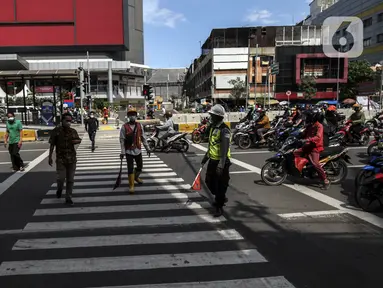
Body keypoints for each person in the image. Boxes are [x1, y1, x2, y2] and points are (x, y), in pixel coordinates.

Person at [201, 104, 231, 217]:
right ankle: (221, 197)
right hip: (212, 160)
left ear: (218, 116)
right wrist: (206, 157)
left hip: (221, 161)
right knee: (209, 181)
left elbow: (224, 148)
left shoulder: (224, 130)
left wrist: (221, 164)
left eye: (212, 115)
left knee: (220, 184)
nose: (210, 117)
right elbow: (211, 144)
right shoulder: (213, 127)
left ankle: (219, 206)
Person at [48, 113, 82, 205]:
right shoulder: (56, 131)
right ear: (62, 121)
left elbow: (78, 139)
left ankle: (68, 197)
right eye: (66, 120)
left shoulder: (73, 131)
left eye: (70, 121)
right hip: (61, 159)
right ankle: (59, 189)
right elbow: (52, 144)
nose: (68, 123)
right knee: (61, 178)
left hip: (72, 158)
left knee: (70, 180)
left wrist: (75, 141)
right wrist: (50, 156)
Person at [294, 109, 330, 190]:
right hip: (307, 146)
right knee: (295, 153)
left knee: (315, 164)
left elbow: (318, 137)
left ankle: (325, 180)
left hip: (315, 147)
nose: (306, 118)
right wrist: (298, 135)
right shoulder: (310, 125)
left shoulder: (319, 126)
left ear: (312, 117)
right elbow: (304, 133)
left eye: (308, 116)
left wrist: (307, 140)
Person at [120, 108, 151, 194]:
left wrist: (147, 148)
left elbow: (143, 138)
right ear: (128, 116)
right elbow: (122, 140)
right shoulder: (124, 127)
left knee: (140, 167)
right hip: (128, 151)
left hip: (138, 150)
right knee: (130, 169)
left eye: (134, 114)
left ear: (136, 116)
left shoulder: (139, 126)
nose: (132, 116)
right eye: (131, 115)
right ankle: (131, 185)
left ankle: (136, 177)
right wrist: (122, 152)